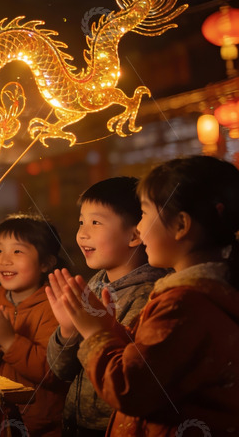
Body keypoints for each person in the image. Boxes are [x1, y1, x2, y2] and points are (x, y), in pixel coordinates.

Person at [50, 156, 239, 436]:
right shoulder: (193, 295)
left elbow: (133, 389)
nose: (139, 228)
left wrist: (96, 332)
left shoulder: (182, 304)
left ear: (181, 225)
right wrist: (104, 327)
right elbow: (150, 362)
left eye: (146, 214)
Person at [46, 177, 168, 437]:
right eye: (82, 221)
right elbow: (61, 370)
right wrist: (67, 332)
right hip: (74, 424)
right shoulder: (92, 286)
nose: (82, 233)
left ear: (135, 234)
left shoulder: (150, 296)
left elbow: (135, 380)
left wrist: (98, 333)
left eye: (96, 222)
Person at [0, 213, 69, 436]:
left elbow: (54, 372)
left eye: (17, 251)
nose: (5, 260)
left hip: (40, 425)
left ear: (46, 262)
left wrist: (9, 341)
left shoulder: (55, 307)